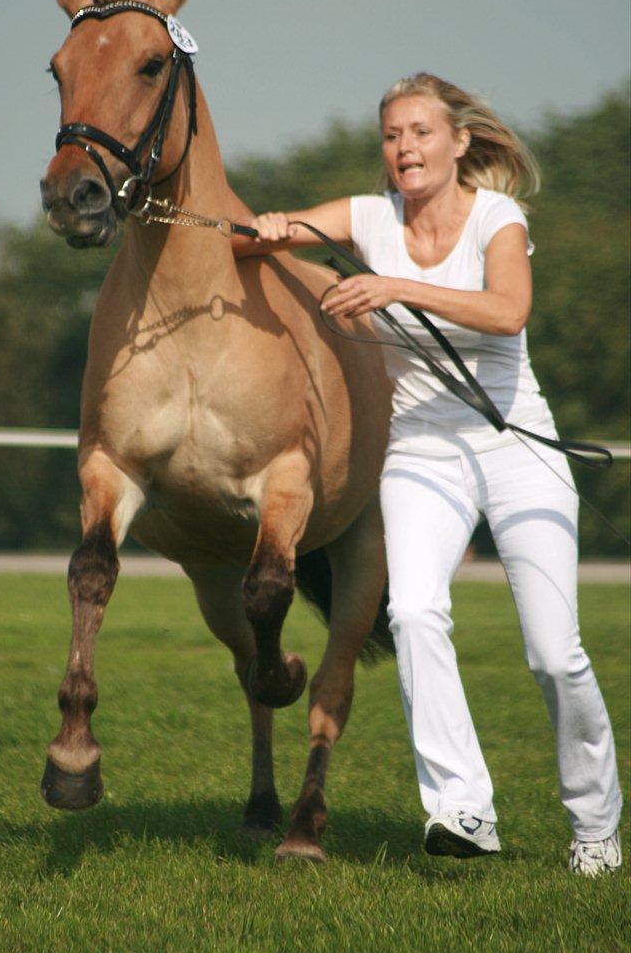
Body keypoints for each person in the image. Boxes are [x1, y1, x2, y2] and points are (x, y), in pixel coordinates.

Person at [229, 72, 622, 876]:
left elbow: (508, 310)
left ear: (458, 141)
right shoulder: (369, 216)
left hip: (521, 450)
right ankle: (461, 807)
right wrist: (264, 228)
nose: (404, 147)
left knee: (555, 655)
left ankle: (595, 824)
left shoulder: (496, 217)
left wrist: (396, 285)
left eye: (419, 132)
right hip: (419, 452)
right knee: (412, 613)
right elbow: (242, 241)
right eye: (392, 135)